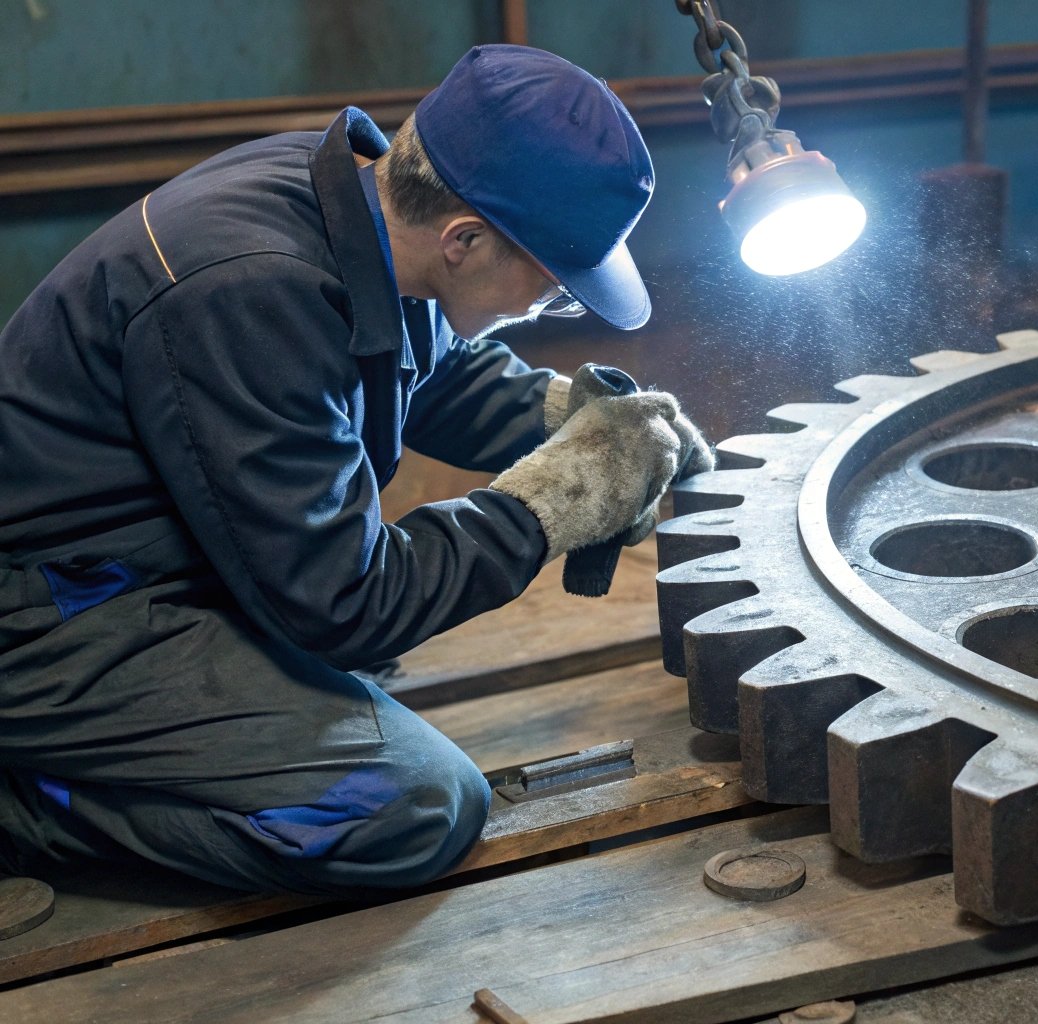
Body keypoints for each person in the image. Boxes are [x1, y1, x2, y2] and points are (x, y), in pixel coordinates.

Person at [0, 45, 710, 895]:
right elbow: (346, 606)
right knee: (409, 804)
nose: (546, 308)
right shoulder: (248, 291)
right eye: (554, 287)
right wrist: (551, 504)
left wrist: (576, 422)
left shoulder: (354, 199)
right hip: (55, 617)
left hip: (156, 559)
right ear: (465, 238)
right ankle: (29, 801)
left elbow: (419, 360)